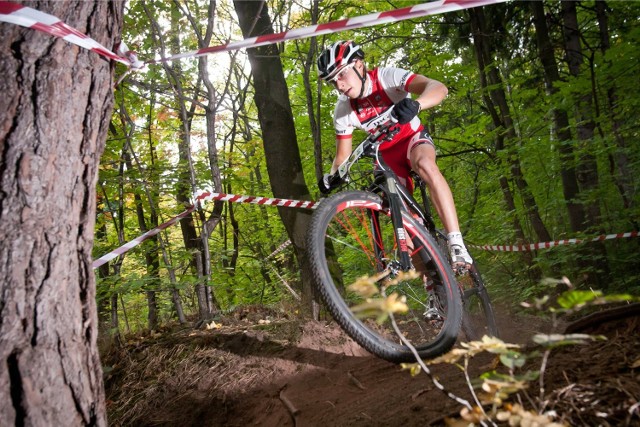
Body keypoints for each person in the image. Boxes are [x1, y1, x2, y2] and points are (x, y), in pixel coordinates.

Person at [316, 40, 473, 268]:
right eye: (333, 82)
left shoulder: (386, 77)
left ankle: (457, 243)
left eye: (341, 75)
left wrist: (417, 105)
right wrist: (331, 178)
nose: (338, 86)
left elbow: (438, 87)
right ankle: (434, 290)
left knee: (426, 165)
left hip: (412, 140)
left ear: (359, 65)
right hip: (386, 158)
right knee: (405, 226)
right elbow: (343, 157)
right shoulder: (343, 110)